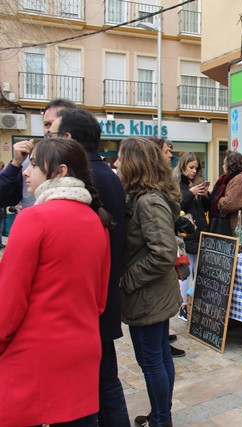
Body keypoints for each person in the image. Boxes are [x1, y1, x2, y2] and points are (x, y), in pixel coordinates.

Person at [0, 137, 113, 426]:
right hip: (82, 352)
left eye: (34, 165)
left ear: (59, 171)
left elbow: (8, 302)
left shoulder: (33, 219)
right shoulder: (96, 222)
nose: (25, 171)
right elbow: (99, 301)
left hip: (33, 355)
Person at [50, 107, 131, 425]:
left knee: (99, 382)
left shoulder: (84, 178)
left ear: (67, 139)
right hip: (103, 295)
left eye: (53, 134)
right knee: (105, 377)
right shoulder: (105, 174)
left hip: (90, 299)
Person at [114, 137, 182, 427]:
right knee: (159, 356)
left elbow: (164, 253)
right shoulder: (144, 196)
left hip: (148, 294)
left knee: (152, 360)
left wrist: (128, 279)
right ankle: (160, 414)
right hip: (150, 292)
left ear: (134, 164)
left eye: (120, 159)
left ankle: (161, 418)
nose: (116, 164)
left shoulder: (148, 200)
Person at [149, 136, 187, 357]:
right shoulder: (153, 187)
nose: (171, 154)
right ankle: (163, 339)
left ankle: (164, 336)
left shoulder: (163, 180)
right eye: (166, 151)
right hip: (163, 250)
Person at [174, 152, 210, 322]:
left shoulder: (194, 184)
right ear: (183, 166)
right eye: (191, 167)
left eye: (196, 168)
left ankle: (192, 304)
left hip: (200, 233)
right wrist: (190, 192)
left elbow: (206, 209)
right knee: (186, 274)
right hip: (186, 235)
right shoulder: (177, 184)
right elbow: (177, 206)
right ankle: (183, 307)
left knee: (198, 273)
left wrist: (205, 195)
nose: (194, 171)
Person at [214, 150, 242, 232]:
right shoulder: (234, 179)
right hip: (237, 227)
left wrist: (218, 200)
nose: (223, 166)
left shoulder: (240, 180)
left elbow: (228, 204)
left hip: (241, 229)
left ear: (231, 166)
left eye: (224, 164)